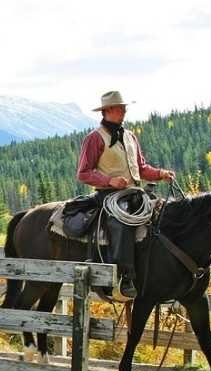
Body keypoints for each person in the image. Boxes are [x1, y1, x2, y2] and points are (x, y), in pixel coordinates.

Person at [75, 90, 175, 297]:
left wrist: (160, 174)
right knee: (123, 222)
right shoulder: (94, 138)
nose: (124, 111)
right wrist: (109, 181)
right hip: (109, 196)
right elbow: (83, 173)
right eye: (120, 108)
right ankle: (124, 276)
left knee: (164, 213)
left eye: (124, 107)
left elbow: (141, 168)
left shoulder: (130, 136)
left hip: (134, 192)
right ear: (108, 110)